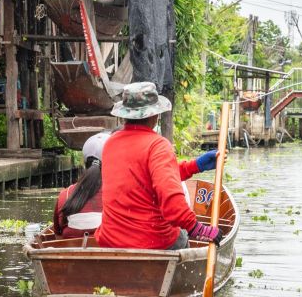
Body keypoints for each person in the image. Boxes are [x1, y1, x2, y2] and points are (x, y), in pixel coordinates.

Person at [95, 81, 222, 250]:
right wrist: (196, 228)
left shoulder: (110, 144)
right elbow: (172, 202)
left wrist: (194, 166)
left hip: (111, 240)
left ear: (125, 115)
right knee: (182, 234)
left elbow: (147, 175)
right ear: (155, 116)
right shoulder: (158, 145)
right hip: (153, 242)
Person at [53, 131, 220, 240]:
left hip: (74, 251)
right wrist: (195, 166)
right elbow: (160, 181)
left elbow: (58, 234)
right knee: (181, 236)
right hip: (117, 245)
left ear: (84, 162)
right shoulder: (125, 187)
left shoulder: (65, 195)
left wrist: (194, 166)